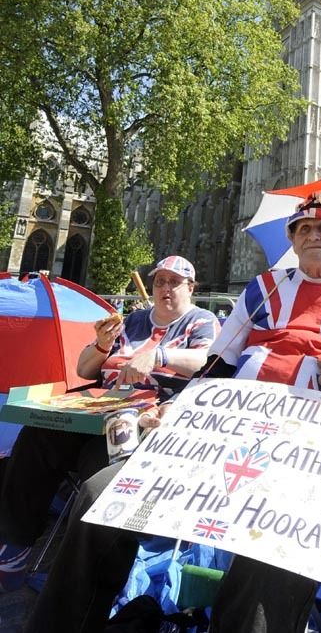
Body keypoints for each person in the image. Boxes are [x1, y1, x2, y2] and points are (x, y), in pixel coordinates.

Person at [18, 192, 321, 633]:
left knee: (278, 554)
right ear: (292, 239)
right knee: (98, 496)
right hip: (224, 439)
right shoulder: (263, 290)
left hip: (304, 459)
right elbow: (218, 364)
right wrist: (179, 408)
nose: (315, 235)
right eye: (305, 228)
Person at [0, 255, 218, 598]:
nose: (164, 288)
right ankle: (16, 541)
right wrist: (102, 344)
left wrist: (158, 356)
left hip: (145, 416)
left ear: (191, 288)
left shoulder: (200, 320)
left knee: (100, 464)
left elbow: (205, 361)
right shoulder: (132, 321)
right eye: (159, 281)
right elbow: (86, 371)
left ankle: (80, 570)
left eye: (174, 282)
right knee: (34, 438)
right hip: (95, 407)